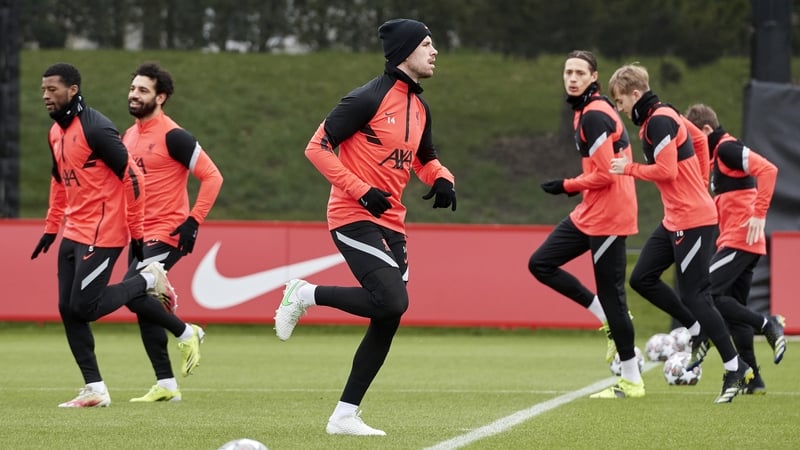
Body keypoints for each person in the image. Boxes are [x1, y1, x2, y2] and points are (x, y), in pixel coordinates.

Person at [273, 18, 456, 436]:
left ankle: (343, 416)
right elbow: (316, 147)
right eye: (427, 44)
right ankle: (304, 293)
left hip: (393, 223)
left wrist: (443, 177)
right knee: (392, 302)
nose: (435, 52)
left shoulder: (420, 107)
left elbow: (425, 159)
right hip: (352, 216)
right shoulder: (366, 98)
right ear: (405, 52)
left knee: (387, 315)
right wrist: (359, 189)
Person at [31, 62, 204, 408]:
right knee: (68, 308)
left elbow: (134, 179)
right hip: (74, 230)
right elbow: (58, 178)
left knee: (87, 306)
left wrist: (145, 230)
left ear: (73, 90)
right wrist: (52, 227)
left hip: (105, 230)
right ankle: (96, 388)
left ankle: (148, 283)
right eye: (44, 90)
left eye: (53, 89)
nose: (46, 95)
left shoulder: (98, 129)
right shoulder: (58, 132)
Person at [607, 63, 753, 403]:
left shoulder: (658, 120)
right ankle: (697, 328)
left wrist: (626, 168)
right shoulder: (664, 113)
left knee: (698, 295)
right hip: (675, 218)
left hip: (692, 220)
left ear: (635, 94)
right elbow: (702, 141)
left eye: (619, 101)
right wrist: (701, 183)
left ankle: (735, 368)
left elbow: (667, 170)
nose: (619, 109)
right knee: (642, 277)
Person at [529, 50, 643, 399]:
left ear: (594, 77)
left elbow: (607, 174)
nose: (573, 78)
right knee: (541, 263)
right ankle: (605, 318)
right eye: (568, 72)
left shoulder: (594, 114)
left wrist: (566, 185)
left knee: (614, 296)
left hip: (610, 214)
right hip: (590, 211)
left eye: (580, 72)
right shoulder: (586, 111)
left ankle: (631, 379)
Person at [121, 62, 223, 402]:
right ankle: (166, 385)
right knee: (142, 303)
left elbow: (212, 176)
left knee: (133, 294)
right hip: (138, 234)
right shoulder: (129, 135)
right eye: (133, 88)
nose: (134, 95)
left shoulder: (174, 136)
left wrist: (194, 221)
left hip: (168, 232)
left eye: (143, 90)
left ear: (161, 97)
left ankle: (186, 331)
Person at [684, 103, 785, 394]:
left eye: (693, 139)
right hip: (739, 240)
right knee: (732, 310)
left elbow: (768, 169)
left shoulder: (727, 148)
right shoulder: (716, 158)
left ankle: (768, 323)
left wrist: (759, 212)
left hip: (740, 238)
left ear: (705, 131)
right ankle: (753, 380)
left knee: (707, 292)